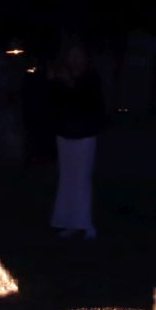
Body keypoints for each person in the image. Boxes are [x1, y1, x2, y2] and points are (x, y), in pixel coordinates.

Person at [48, 38, 106, 239]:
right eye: (71, 55)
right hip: (65, 133)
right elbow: (55, 103)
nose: (75, 59)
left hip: (85, 134)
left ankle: (84, 223)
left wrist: (71, 84)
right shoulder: (60, 79)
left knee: (81, 179)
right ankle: (67, 221)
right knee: (67, 178)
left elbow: (89, 103)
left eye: (78, 55)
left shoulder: (91, 78)